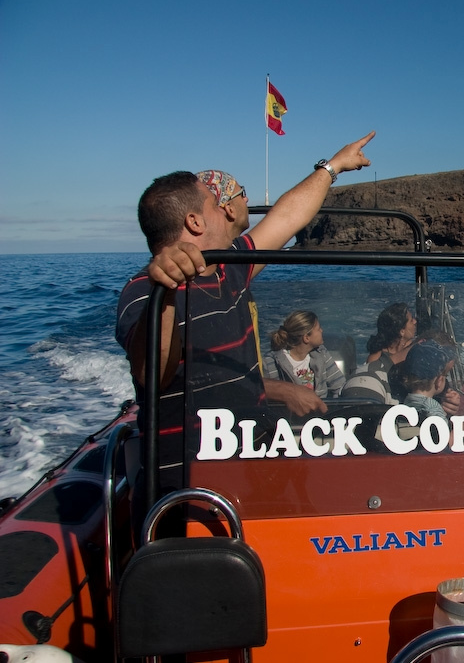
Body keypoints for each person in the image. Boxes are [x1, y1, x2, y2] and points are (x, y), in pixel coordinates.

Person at [115, 131, 375, 501]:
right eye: (213, 203)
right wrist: (166, 289)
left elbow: (287, 216)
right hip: (186, 486)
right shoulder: (144, 292)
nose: (229, 208)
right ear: (195, 222)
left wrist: (332, 167)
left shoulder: (229, 267)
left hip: (254, 459)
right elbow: (150, 375)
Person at [264, 310, 346, 399]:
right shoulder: (271, 363)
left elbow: (339, 386)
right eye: (318, 329)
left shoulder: (322, 353)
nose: (322, 331)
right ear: (306, 338)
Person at [399, 340, 456, 420]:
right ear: (439, 381)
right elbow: (441, 428)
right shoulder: (433, 408)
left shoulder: (406, 402)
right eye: (445, 375)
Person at [365, 302, 417, 369]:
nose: (415, 321)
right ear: (402, 331)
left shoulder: (414, 346)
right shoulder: (376, 359)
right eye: (411, 320)